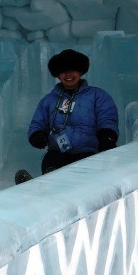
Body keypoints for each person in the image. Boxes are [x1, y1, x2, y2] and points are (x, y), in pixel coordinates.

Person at [15, 49, 119, 184]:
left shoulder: (97, 96)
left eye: (73, 70)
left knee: (84, 170)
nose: (68, 74)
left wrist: (107, 135)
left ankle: (50, 185)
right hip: (58, 152)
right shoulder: (49, 100)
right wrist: (37, 134)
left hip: (88, 151)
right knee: (52, 161)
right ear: (57, 75)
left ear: (81, 72)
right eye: (63, 71)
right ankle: (47, 182)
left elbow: (107, 117)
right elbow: (38, 121)